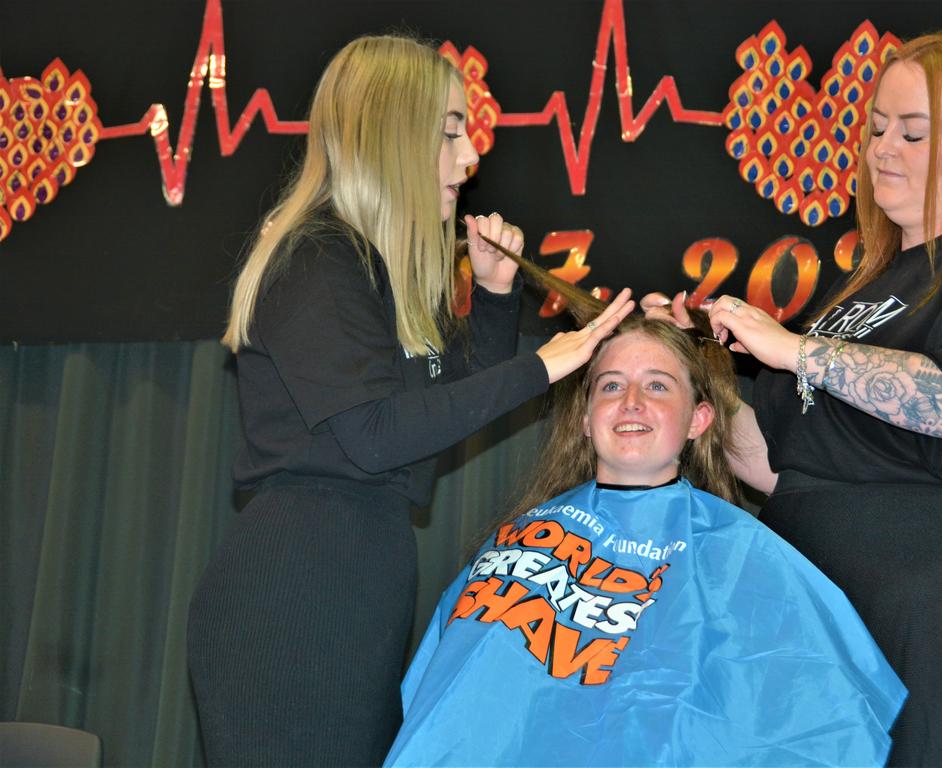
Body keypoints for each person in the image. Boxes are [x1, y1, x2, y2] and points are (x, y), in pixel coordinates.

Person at [186, 34, 633, 767]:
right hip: (294, 598)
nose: (469, 158)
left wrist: (493, 300)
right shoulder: (319, 258)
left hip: (355, 587)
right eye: (452, 131)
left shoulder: (380, 273)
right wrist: (545, 366)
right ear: (392, 133)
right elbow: (374, 435)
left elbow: (438, 424)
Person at [643, 30, 942, 766]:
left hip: (936, 629)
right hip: (827, 611)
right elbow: (773, 459)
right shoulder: (867, 287)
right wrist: (678, 366)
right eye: (878, 126)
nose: (883, 147)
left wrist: (794, 349)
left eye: (913, 132)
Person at [385, 316, 906, 767]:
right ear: (586, 418)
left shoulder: (738, 552)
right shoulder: (518, 542)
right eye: (610, 386)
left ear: (699, 419)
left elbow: (823, 721)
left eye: (657, 386)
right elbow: (446, 706)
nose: (630, 402)